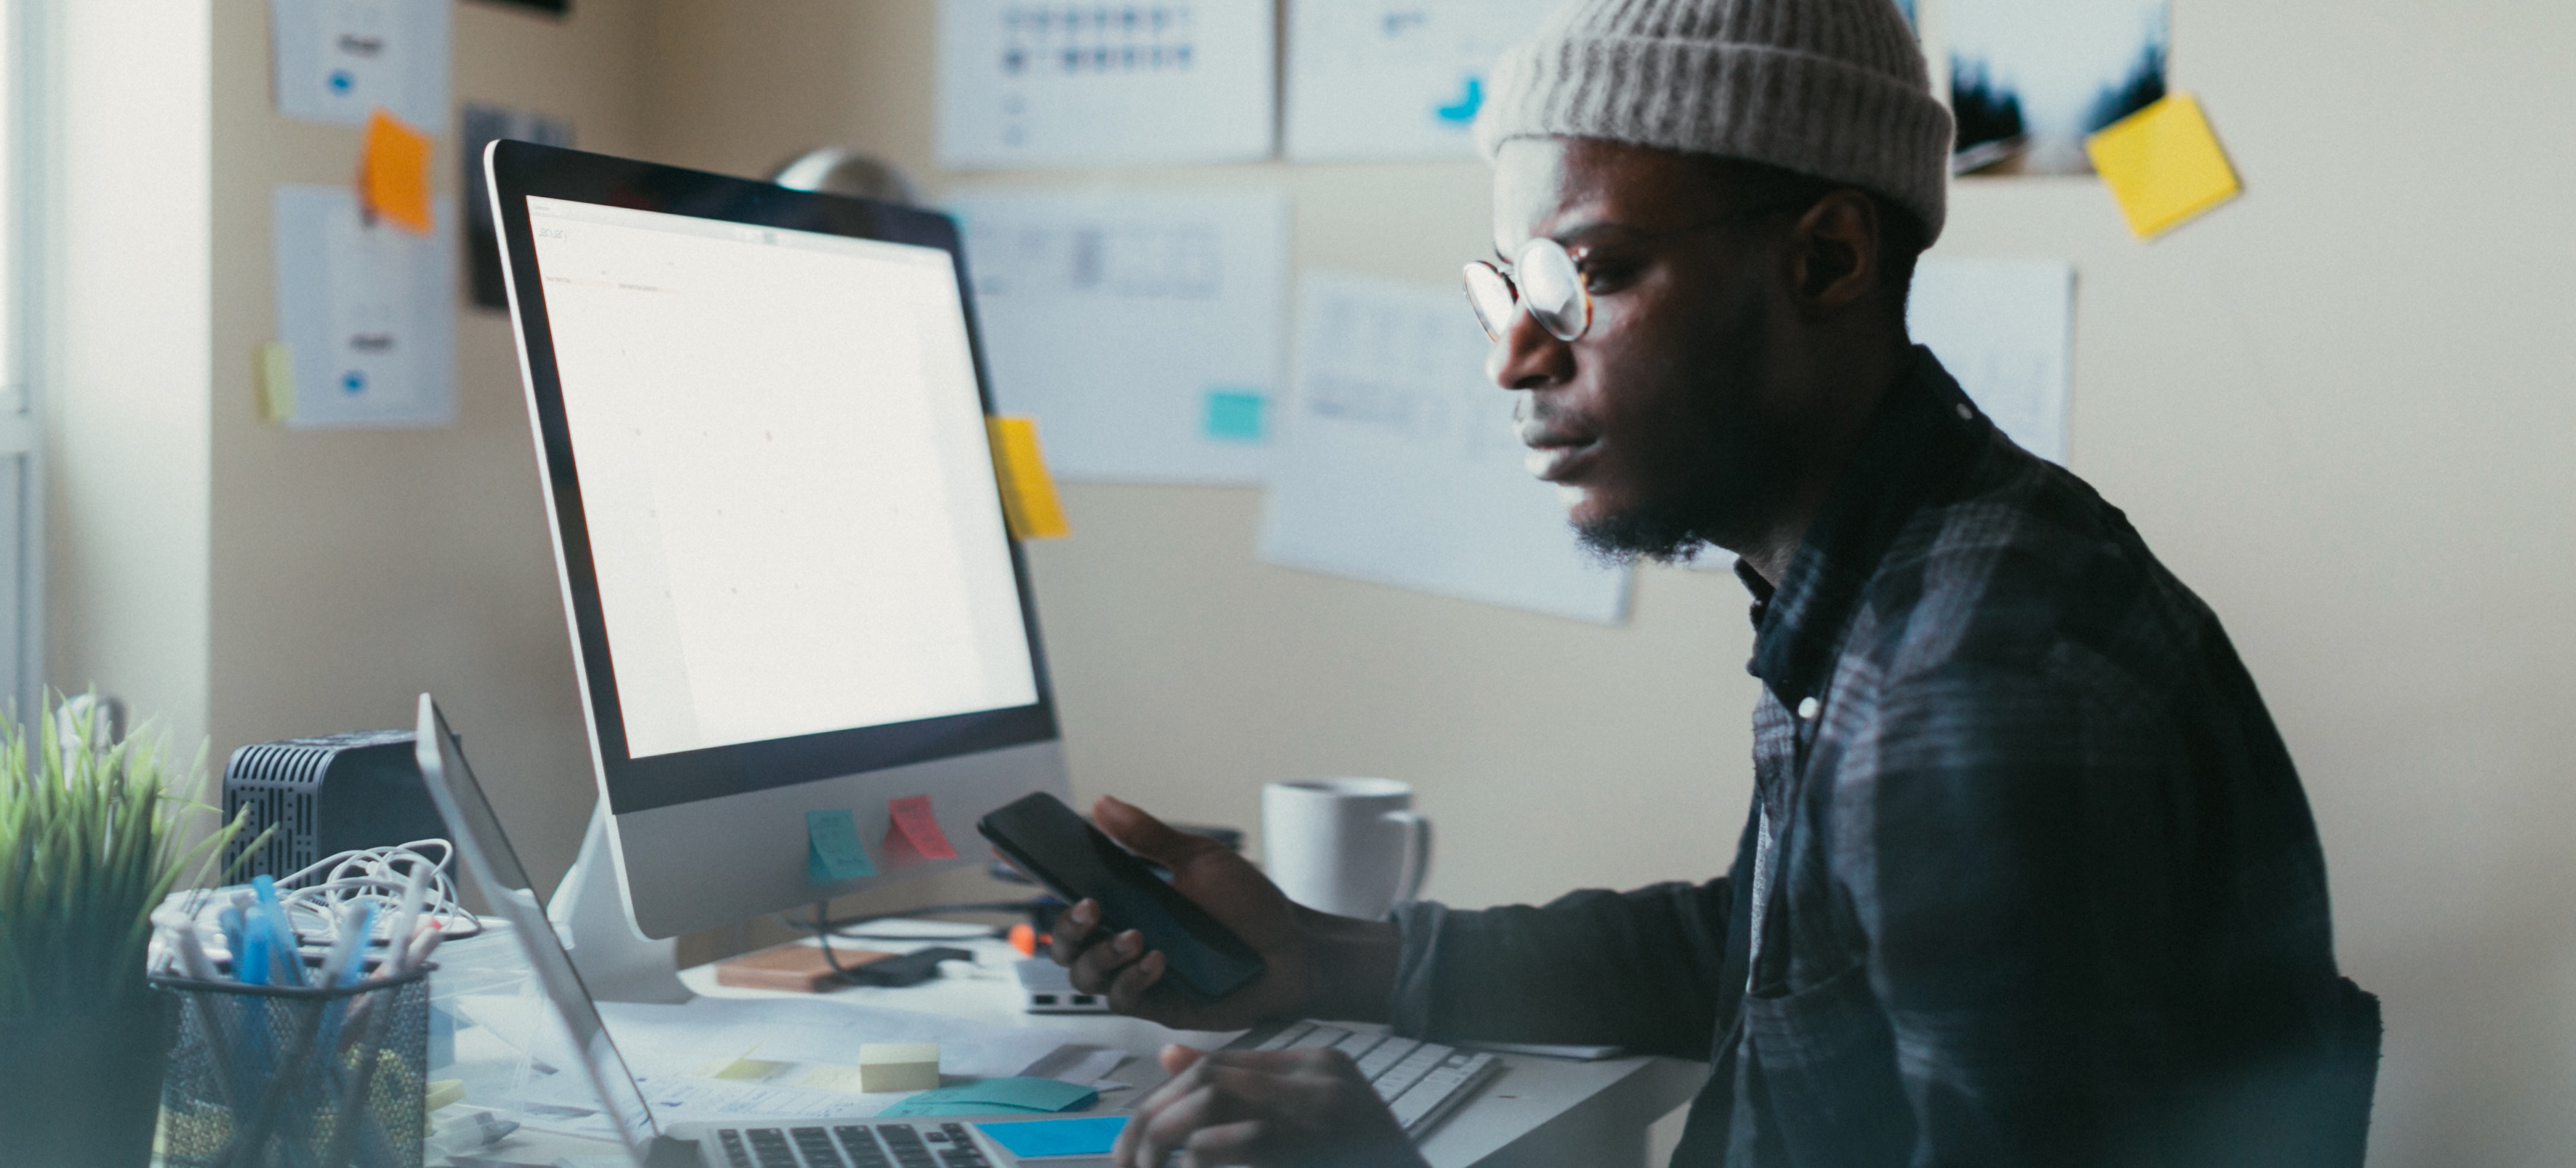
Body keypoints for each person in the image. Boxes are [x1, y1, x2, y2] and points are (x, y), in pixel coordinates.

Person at [1045, 1, 2381, 1165]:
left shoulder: (1974, 692)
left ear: (1827, 261)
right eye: (1509, 286)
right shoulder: (1901, 581)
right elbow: (1759, 950)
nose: (1516, 355)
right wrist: (1322, 956)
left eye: (1589, 276)